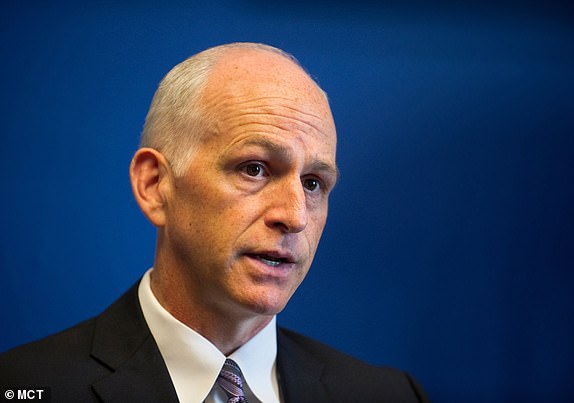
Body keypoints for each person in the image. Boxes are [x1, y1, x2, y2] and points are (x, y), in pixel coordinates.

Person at [0, 42, 429, 402]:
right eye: (255, 169)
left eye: (314, 183)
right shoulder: (24, 385)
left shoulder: (390, 395)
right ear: (155, 186)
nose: (295, 216)